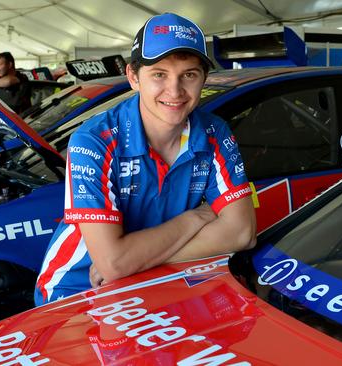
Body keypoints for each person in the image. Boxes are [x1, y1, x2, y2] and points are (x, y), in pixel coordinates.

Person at [34, 13, 256, 305]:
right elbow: (111, 263)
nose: (175, 91)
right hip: (74, 291)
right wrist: (198, 216)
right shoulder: (94, 141)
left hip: (155, 280)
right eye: (159, 74)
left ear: (203, 78)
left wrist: (135, 263)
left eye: (189, 74)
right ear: (133, 78)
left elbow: (242, 233)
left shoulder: (214, 131)